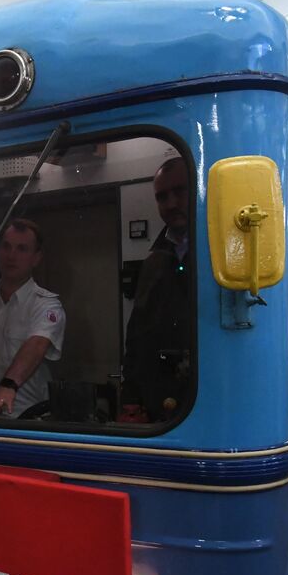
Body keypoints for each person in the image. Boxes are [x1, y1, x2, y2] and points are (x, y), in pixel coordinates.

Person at [0, 219, 66, 417]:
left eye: (22, 249)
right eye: (6, 246)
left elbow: (37, 344)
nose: (11, 255)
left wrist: (8, 385)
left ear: (36, 258)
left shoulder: (45, 305)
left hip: (25, 418)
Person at [123, 156, 193, 421]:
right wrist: (130, 398)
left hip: (206, 399)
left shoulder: (220, 254)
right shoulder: (154, 260)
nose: (171, 204)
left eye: (179, 191)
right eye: (162, 197)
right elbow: (137, 335)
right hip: (159, 408)